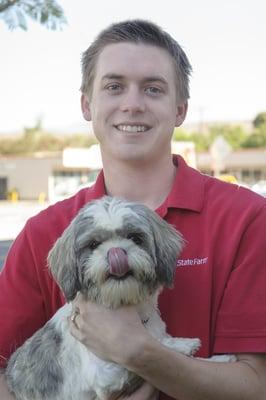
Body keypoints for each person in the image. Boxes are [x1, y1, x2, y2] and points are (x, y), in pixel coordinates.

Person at [0, 19, 266, 400]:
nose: (132, 104)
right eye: (114, 86)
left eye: (153, 89)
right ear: (87, 105)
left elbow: (257, 387)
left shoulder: (248, 219)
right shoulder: (44, 232)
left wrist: (142, 354)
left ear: (180, 110)